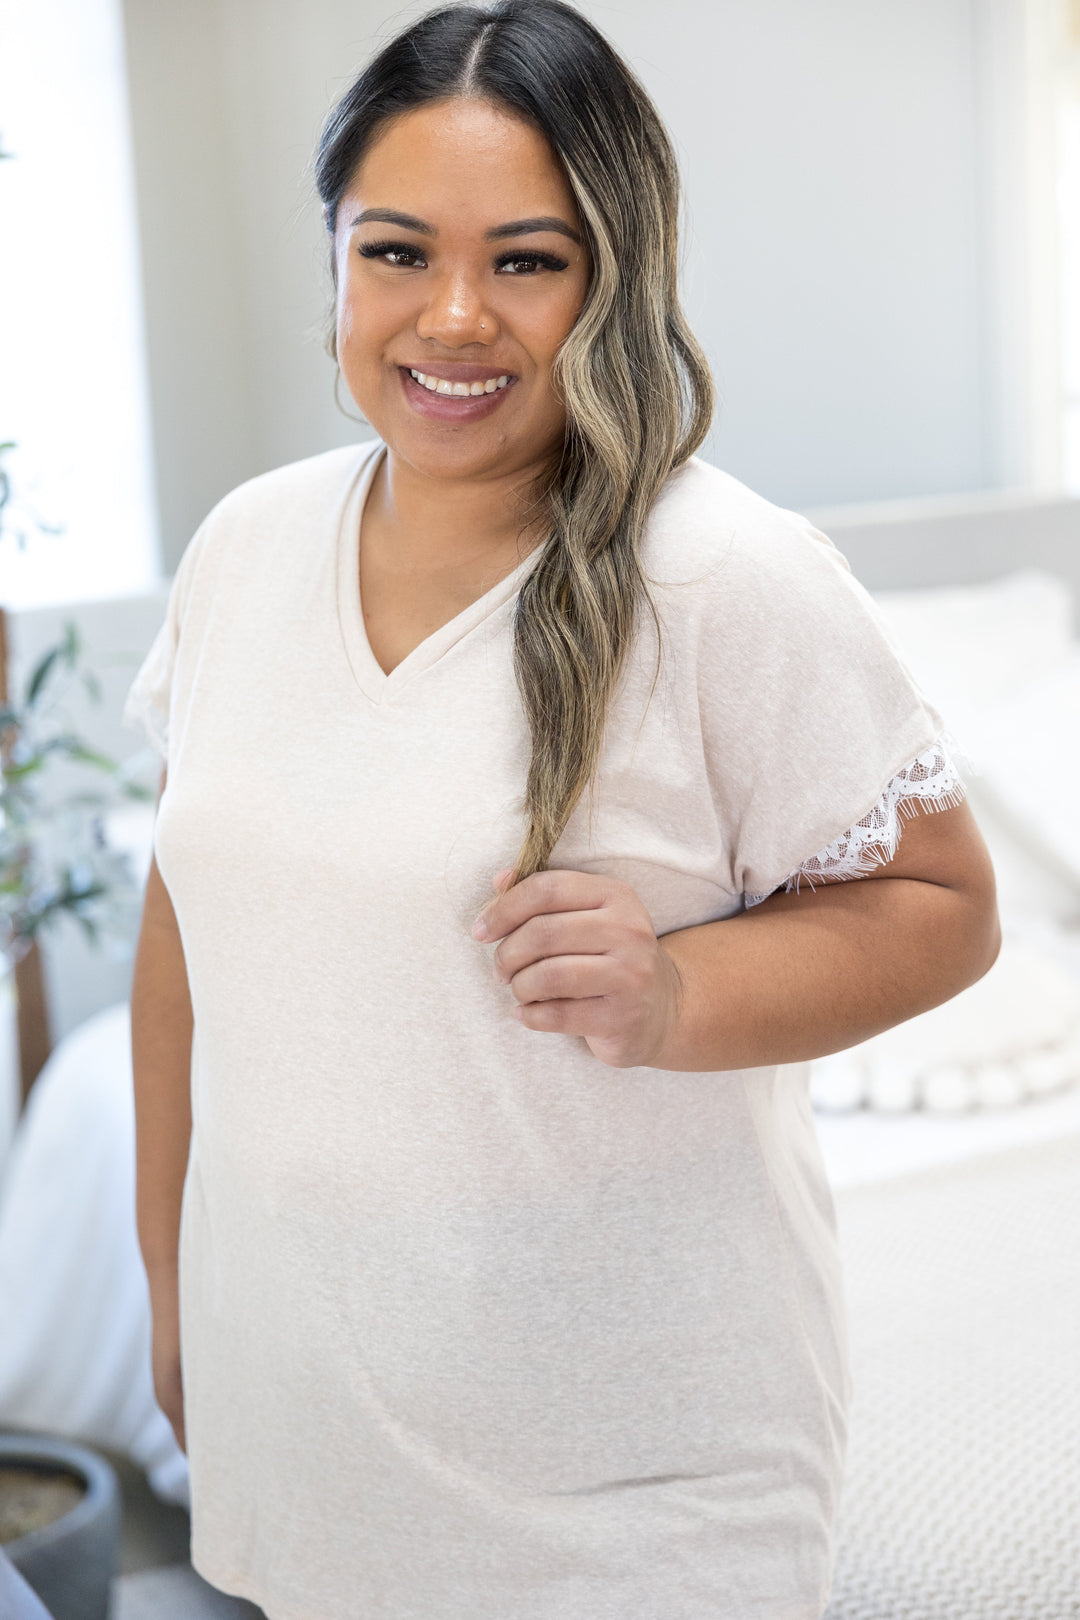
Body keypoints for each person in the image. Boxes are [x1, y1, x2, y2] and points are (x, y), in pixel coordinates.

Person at [123, 3, 1000, 1617]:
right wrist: (172, 1295)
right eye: (395, 251)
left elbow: (946, 907)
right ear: (333, 256)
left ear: (616, 272)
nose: (453, 316)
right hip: (306, 1422)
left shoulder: (722, 574)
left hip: (631, 1483)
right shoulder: (245, 549)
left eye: (527, 259)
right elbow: (189, 926)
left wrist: (678, 988)